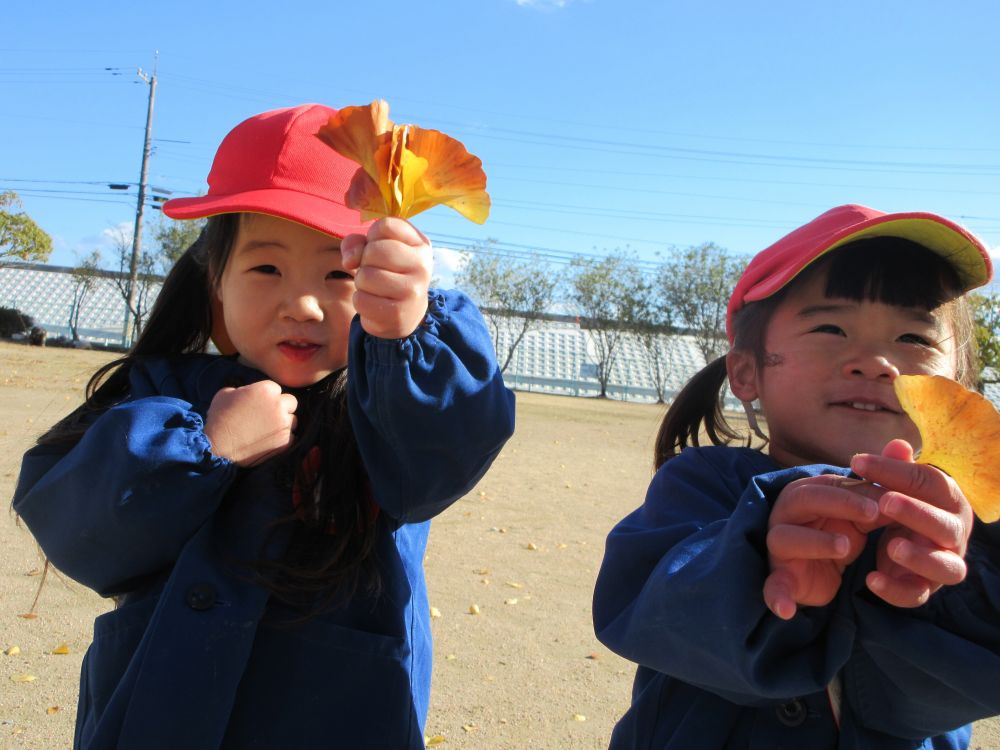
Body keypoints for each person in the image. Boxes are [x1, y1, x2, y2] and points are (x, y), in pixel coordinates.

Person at [12, 103, 516, 750]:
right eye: (265, 268)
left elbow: (442, 455)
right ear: (214, 283)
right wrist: (204, 452)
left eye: (339, 273)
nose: (301, 303)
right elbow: (75, 531)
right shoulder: (164, 395)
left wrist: (404, 340)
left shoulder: (386, 407)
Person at [593, 204, 1000, 749]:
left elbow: (954, 693)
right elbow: (645, 609)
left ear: (962, 381)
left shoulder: (978, 524)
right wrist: (758, 558)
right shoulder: (704, 485)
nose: (877, 361)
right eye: (832, 327)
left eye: (914, 339)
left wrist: (947, 587)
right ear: (746, 371)